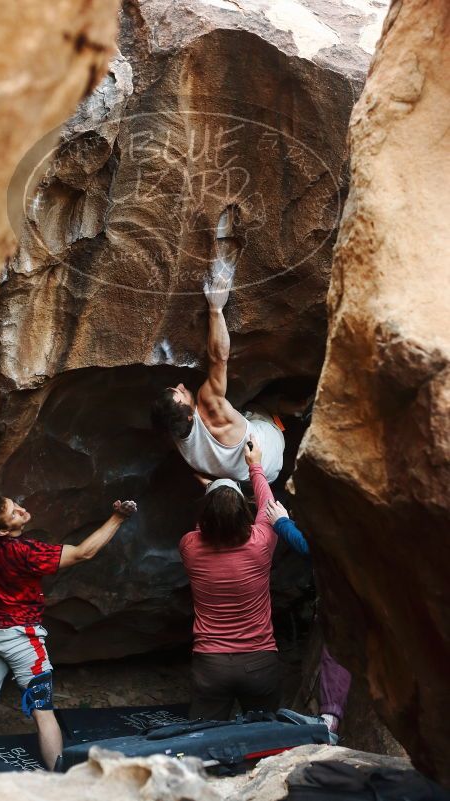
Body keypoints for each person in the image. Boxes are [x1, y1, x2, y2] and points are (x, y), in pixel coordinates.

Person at [0, 493, 137, 769]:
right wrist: (118, 518)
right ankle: (57, 785)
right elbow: (84, 552)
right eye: (14, 514)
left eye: (15, 504)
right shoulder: (26, 554)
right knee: (43, 713)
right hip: (21, 640)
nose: (22, 511)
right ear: (2, 530)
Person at [180, 434, 281, 720]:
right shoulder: (262, 542)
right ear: (244, 514)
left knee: (203, 741)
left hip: (211, 664)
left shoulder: (190, 545)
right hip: (260, 662)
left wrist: (213, 492)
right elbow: (267, 507)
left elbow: (205, 526)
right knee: (265, 739)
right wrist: (255, 466)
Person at [151, 270, 285, 484]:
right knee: (258, 405)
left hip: (261, 479)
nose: (182, 385)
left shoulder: (175, 435)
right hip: (272, 448)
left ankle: (291, 409)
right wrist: (215, 308)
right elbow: (219, 358)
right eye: (181, 393)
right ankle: (294, 408)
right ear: (187, 416)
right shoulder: (208, 403)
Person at [266, 498, 351, 734]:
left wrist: (282, 523)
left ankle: (330, 718)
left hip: (355, 601)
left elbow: (314, 550)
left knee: (336, 648)